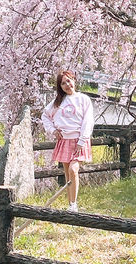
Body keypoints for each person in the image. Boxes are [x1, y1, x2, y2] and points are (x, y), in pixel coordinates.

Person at [41, 70, 94, 212]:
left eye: (68, 81)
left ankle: (74, 204)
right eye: (63, 83)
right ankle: (71, 204)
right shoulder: (58, 102)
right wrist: (53, 130)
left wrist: (82, 140)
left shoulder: (83, 99)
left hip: (79, 141)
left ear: (74, 80)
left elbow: (88, 121)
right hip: (64, 140)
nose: (67, 85)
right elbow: (45, 116)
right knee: (67, 173)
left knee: (73, 169)